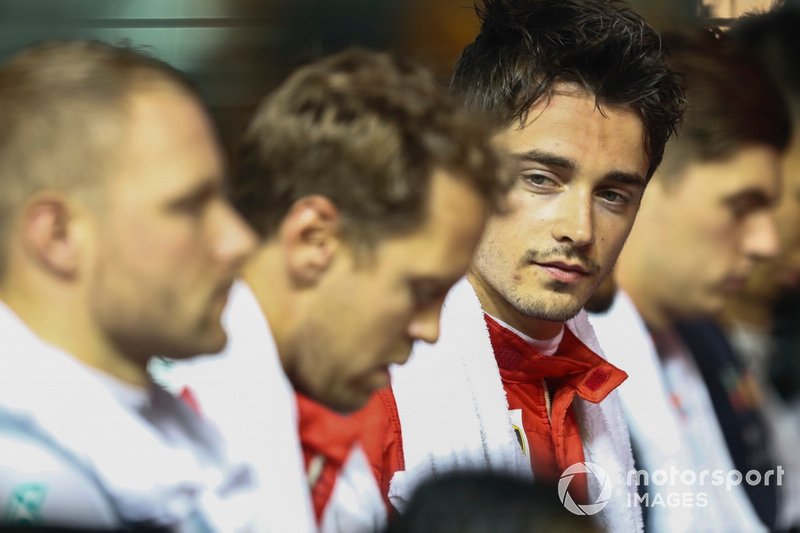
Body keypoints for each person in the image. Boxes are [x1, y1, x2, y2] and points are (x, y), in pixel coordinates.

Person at [351, 0, 685, 531]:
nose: (580, 229)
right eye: (540, 179)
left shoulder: (609, 389)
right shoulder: (367, 389)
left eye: (613, 194)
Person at [154, 48, 510, 532]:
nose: (430, 329)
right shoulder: (166, 444)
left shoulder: (319, 433)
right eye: (420, 289)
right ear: (314, 239)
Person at [0, 41, 261, 530]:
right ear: (58, 235)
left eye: (224, 200)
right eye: (189, 206)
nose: (238, 241)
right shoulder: (32, 485)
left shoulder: (156, 435)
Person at [590, 28, 791, 532]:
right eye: (741, 207)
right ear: (648, 180)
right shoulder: (564, 365)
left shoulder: (707, 339)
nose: (766, 242)